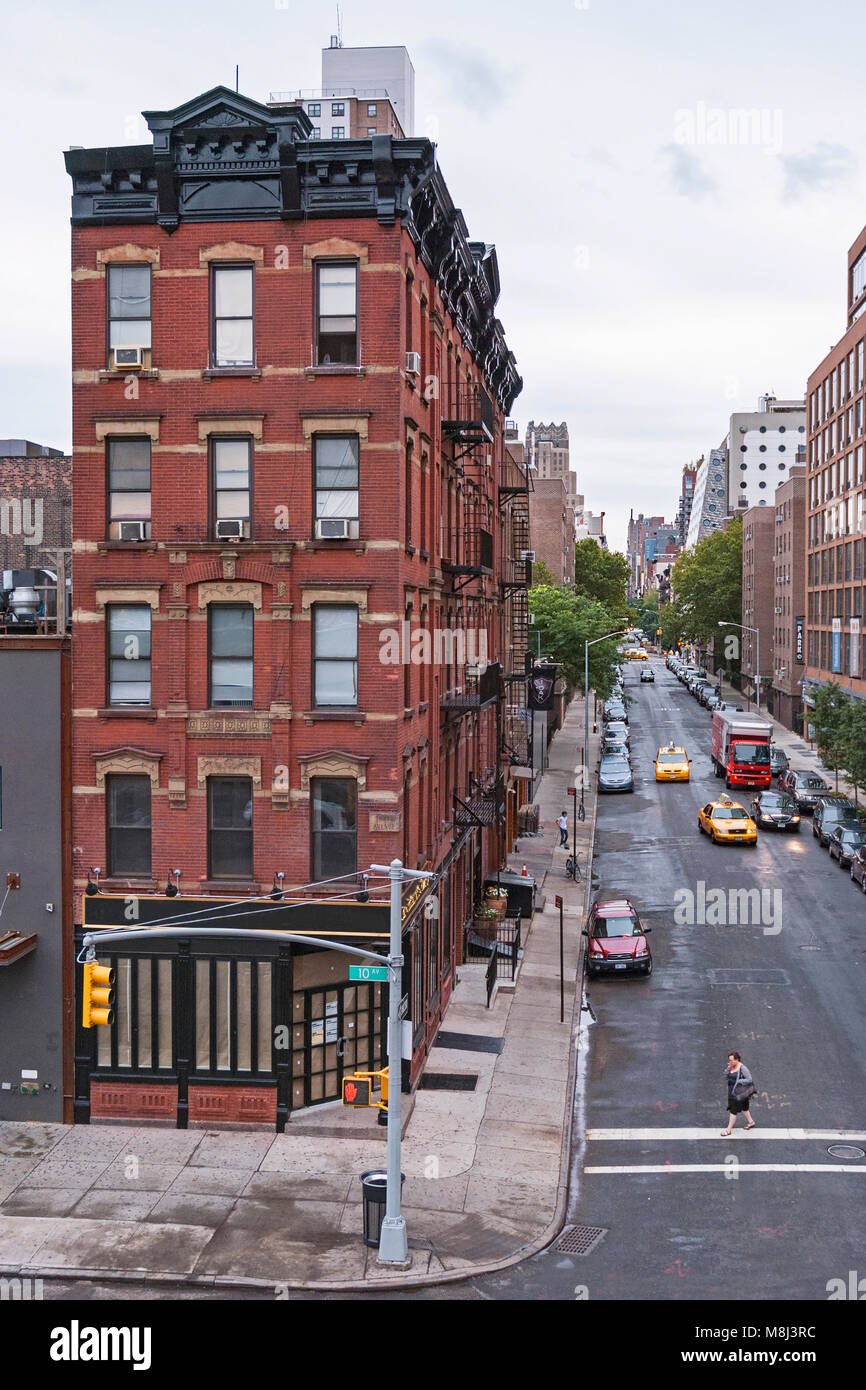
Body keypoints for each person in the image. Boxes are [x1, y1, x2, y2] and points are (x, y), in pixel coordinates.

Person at [721, 1051, 756, 1134]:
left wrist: (739, 1081)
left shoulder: (742, 1068)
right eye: (729, 1060)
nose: (730, 1062)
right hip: (732, 1091)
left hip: (739, 1092)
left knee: (733, 1111)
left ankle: (728, 1130)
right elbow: (726, 1076)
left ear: (737, 1060)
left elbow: (749, 1079)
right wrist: (727, 1070)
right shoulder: (730, 1066)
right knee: (744, 1108)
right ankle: (751, 1122)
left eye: (732, 1060)